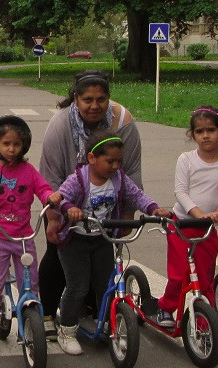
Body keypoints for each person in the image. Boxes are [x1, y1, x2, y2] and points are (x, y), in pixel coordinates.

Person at [38, 69, 144, 339]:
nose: (94, 106)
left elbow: (130, 170)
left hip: (106, 202)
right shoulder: (60, 124)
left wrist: (128, 216)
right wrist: (53, 217)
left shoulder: (123, 121)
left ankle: (99, 313)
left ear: (109, 99)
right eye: (87, 100)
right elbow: (50, 174)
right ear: (76, 98)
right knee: (58, 254)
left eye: (101, 99)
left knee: (101, 265)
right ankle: (48, 313)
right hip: (68, 202)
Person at [51, 130, 172, 355]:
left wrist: (154, 208)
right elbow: (60, 198)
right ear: (92, 158)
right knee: (78, 287)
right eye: (110, 161)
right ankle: (66, 330)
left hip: (103, 238)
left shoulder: (118, 178)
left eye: (119, 161)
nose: (116, 166)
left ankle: (108, 324)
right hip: (75, 239)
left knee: (105, 285)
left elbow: (136, 196)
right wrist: (70, 209)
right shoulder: (79, 179)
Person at [0, 116, 60, 355]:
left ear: (24, 145)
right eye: (6, 143)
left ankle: (32, 319)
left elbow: (42, 188)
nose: (11, 149)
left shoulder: (28, 171)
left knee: (30, 281)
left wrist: (50, 196)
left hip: (25, 237)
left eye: (16, 144)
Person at [154, 106, 218, 327]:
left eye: (211, 130)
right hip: (182, 225)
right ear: (193, 135)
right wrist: (199, 214)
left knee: (205, 275)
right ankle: (166, 307)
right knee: (180, 274)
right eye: (200, 131)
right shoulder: (187, 159)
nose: (206, 135)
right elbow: (180, 192)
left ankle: (205, 317)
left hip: (208, 228)